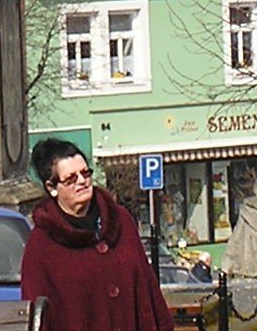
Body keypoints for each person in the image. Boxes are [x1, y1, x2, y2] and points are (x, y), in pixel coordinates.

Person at [21, 138, 173, 331]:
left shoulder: (120, 220)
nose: (82, 182)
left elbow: (148, 285)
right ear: (52, 187)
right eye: (71, 178)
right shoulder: (42, 244)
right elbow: (38, 312)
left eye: (85, 173)